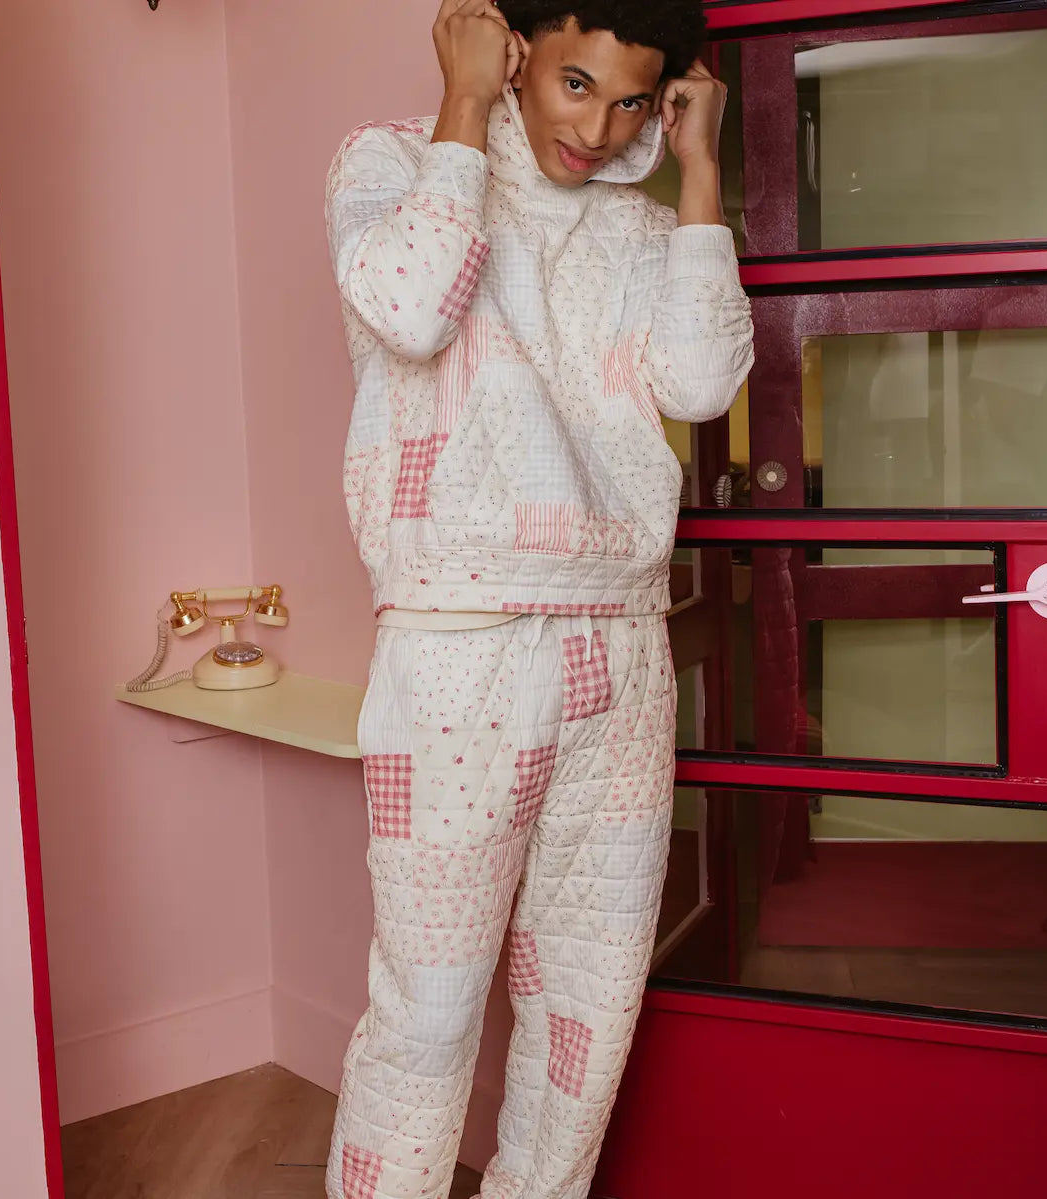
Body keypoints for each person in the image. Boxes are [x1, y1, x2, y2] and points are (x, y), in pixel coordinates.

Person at [324, 1, 753, 1195]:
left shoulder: (640, 220)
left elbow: (704, 381)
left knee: (588, 1012)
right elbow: (410, 309)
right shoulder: (393, 160)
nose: (600, 125)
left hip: (619, 643)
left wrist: (701, 163)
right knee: (428, 1012)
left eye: (631, 99)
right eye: (574, 83)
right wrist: (466, 103)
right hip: (463, 642)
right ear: (511, 50)